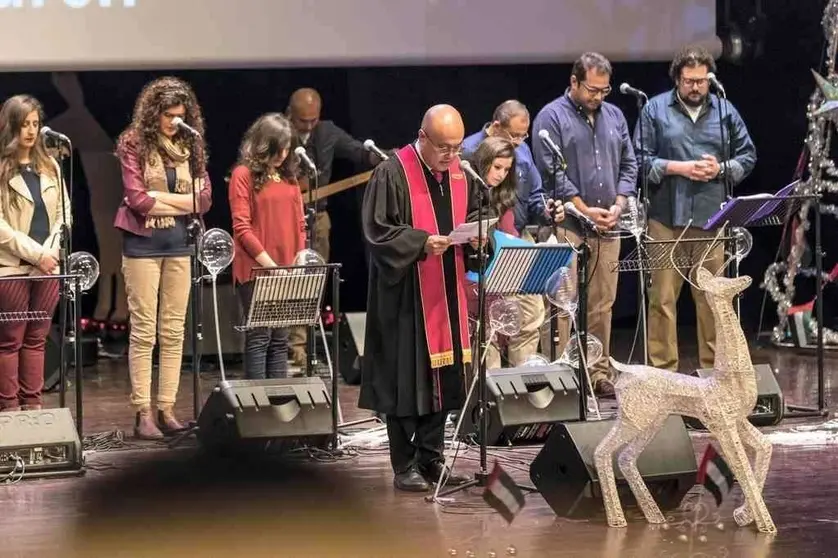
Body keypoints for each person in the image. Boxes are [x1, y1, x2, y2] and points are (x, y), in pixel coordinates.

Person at [360, 104, 481, 492]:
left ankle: (432, 457)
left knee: (445, 380)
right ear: (423, 136)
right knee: (405, 383)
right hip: (406, 295)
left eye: (458, 147)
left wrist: (482, 236)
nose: (452, 155)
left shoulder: (462, 173)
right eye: (444, 147)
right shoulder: (392, 172)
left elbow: (477, 213)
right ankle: (404, 464)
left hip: (448, 292)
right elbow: (377, 231)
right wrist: (420, 243)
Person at [634, 44, 756, 371]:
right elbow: (639, 162)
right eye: (689, 81)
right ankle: (663, 376)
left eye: (701, 81)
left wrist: (721, 169)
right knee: (662, 301)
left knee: (712, 300)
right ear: (677, 79)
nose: (696, 87)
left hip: (711, 219)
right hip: (664, 218)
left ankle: (714, 374)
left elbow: (748, 156)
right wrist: (678, 167)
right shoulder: (654, 110)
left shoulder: (724, 110)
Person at [532, 52, 638, 397]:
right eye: (592, 89)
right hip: (568, 224)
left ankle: (597, 372)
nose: (598, 97)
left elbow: (629, 165)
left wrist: (618, 205)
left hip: (609, 223)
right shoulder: (551, 116)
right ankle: (562, 376)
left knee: (603, 303)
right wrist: (584, 210)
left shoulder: (616, 116)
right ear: (574, 82)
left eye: (604, 91)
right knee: (563, 303)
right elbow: (552, 172)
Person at [114, 77, 212, 439]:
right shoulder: (133, 143)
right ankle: (143, 413)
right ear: (154, 112)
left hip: (180, 245)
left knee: (173, 331)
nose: (174, 122)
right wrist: (184, 202)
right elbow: (137, 200)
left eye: (180, 115)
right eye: (169, 115)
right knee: (144, 331)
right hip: (143, 245)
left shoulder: (190, 143)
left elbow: (204, 202)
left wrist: (164, 196)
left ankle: (166, 408)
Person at [285, 87, 381, 368]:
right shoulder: (276, 130)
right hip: (284, 220)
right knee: (288, 285)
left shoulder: (327, 132)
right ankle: (287, 351)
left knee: (314, 284)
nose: (308, 126)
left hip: (318, 219)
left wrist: (390, 156)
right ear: (290, 114)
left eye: (313, 120)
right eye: (303, 121)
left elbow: (358, 153)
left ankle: (305, 349)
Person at [466, 136, 563, 368]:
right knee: (489, 329)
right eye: (496, 167)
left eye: (506, 169)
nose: (500, 174)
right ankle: (492, 393)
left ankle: (524, 381)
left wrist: (547, 212)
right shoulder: (469, 192)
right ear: (482, 163)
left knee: (532, 311)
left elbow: (525, 213)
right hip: (483, 269)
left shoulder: (506, 195)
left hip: (512, 258)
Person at [0, 95, 70, 412]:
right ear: (10, 127)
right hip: (13, 269)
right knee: (10, 341)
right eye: (23, 124)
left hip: (47, 268)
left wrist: (50, 251)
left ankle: (34, 410)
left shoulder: (50, 166)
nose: (30, 131)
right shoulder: (1, 168)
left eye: (34, 124)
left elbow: (64, 216)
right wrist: (35, 254)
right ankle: (10, 411)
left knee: (37, 339)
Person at [229, 113, 305, 380]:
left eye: (287, 147)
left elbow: (299, 226)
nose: (283, 154)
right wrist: (271, 267)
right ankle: (258, 409)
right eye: (278, 147)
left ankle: (278, 406)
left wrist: (298, 263)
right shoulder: (243, 175)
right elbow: (241, 228)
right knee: (260, 337)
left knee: (280, 339)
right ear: (264, 145)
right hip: (256, 271)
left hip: (287, 271)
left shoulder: (290, 180)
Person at [461, 100, 550, 234]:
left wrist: (547, 210)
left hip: (515, 232)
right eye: (514, 135)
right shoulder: (468, 151)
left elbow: (535, 194)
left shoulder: (523, 150)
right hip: (483, 234)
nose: (519, 142)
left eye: (523, 136)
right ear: (497, 126)